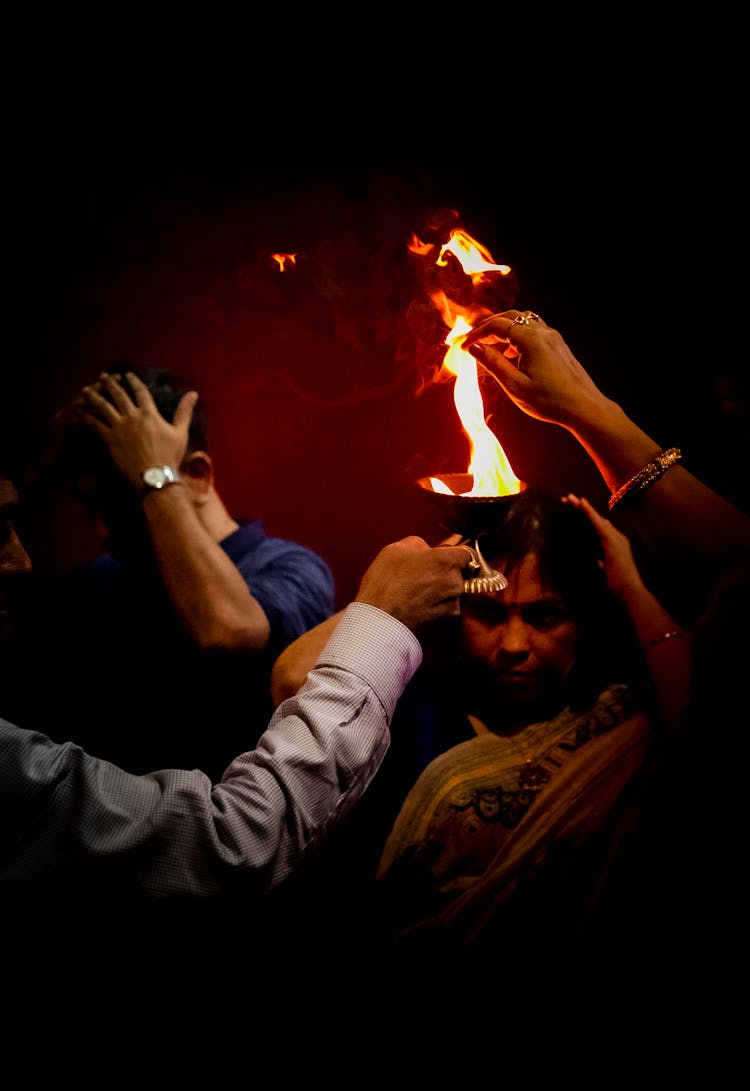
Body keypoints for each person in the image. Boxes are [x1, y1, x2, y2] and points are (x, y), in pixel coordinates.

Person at [9, 367, 337, 780]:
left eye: (124, 504)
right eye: (90, 507)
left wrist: (153, 473)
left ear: (196, 477)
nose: (102, 531)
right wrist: (37, 467)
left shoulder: (289, 567)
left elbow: (229, 629)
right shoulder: (111, 577)